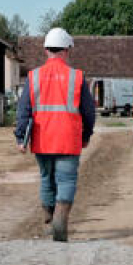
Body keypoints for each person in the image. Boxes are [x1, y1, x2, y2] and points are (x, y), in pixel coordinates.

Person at [15, 28, 95, 242]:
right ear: (67, 50)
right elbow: (89, 111)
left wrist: (20, 137)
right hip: (68, 140)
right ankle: (60, 217)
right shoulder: (77, 77)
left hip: (42, 140)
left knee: (46, 178)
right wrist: (86, 135)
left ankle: (49, 217)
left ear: (46, 50)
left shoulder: (33, 76)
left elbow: (23, 110)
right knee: (66, 180)